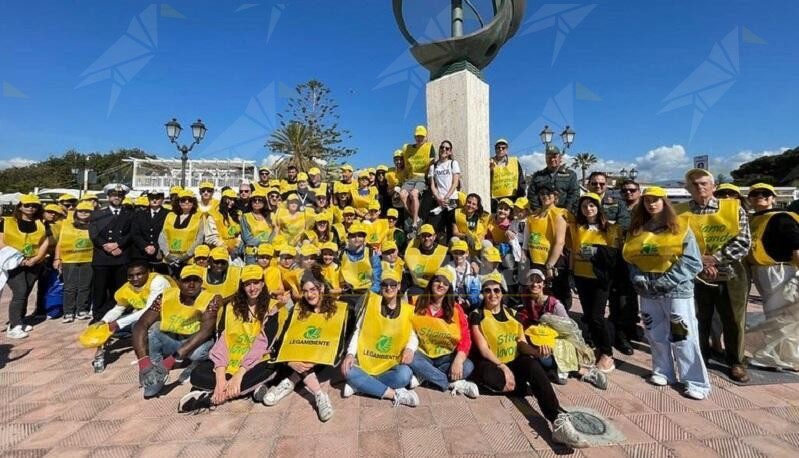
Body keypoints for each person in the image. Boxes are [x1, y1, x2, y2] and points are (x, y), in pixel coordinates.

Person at [469, 273, 590, 449]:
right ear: (483, 293)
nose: (492, 294)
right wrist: (503, 367)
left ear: (502, 293)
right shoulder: (477, 315)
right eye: (487, 290)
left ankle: (557, 420)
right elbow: (483, 349)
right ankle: (519, 387)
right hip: (493, 362)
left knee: (533, 365)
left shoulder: (513, 314)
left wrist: (536, 353)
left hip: (514, 359)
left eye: (496, 290)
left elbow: (522, 344)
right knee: (494, 378)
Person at [624, 186, 710, 400]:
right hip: (648, 290)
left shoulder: (680, 227)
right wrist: (639, 277)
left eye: (656, 199)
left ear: (664, 201)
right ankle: (663, 371)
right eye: (647, 200)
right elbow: (631, 258)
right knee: (655, 332)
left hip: (676, 290)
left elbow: (692, 261)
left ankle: (695, 381)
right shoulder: (638, 229)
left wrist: (667, 281)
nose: (651, 204)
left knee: (683, 335)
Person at [179, 265, 290, 413]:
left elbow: (264, 343)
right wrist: (220, 378)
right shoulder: (231, 307)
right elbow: (223, 341)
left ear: (263, 283)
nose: (252, 288)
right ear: (242, 286)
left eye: (256, 282)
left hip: (257, 360)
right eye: (247, 284)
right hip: (232, 358)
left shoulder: (273, 307)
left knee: (273, 368)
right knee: (198, 373)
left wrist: (239, 375)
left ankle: (211, 398)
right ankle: (249, 389)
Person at [679, 168, 751, 383]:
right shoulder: (680, 212)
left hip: (731, 271)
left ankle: (736, 361)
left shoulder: (733, 209)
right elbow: (675, 242)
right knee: (698, 317)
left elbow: (743, 242)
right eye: (694, 184)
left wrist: (714, 259)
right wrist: (700, 262)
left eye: (703, 183)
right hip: (695, 272)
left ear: (714, 186)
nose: (699, 187)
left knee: (733, 318)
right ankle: (701, 355)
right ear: (687, 188)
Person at [263, 267, 350, 422]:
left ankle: (292, 382)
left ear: (321, 288)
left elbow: (339, 344)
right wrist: (291, 361)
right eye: (305, 291)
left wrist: (313, 359)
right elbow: (286, 338)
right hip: (297, 357)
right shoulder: (298, 309)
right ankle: (319, 393)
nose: (309, 295)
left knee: (306, 363)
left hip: (323, 359)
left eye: (313, 289)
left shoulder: (337, 309)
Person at [132, 265, 221, 398]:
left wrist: (171, 360)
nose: (191, 284)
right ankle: (154, 371)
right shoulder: (165, 296)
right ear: (179, 282)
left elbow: (206, 332)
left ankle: (193, 366)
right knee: (152, 330)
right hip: (173, 339)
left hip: (195, 342)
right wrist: (143, 362)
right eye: (186, 280)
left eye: (195, 280)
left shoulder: (211, 299)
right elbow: (141, 324)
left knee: (199, 352)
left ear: (201, 282)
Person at [340, 270, 420, 407]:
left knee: (405, 374)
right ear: (381, 287)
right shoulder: (371, 305)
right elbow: (358, 330)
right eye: (385, 284)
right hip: (367, 361)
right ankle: (394, 394)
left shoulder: (408, 310)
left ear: (399, 286)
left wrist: (410, 349)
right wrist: (350, 354)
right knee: (347, 370)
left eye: (393, 284)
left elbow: (413, 335)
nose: (389, 288)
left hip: (390, 363)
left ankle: (361, 385)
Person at [516, 269, 607, 388]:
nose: (535, 284)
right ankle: (557, 370)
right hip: (536, 341)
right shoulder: (527, 301)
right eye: (531, 281)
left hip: (558, 343)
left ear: (543, 284)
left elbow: (569, 329)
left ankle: (579, 371)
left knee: (544, 359)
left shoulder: (554, 305)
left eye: (538, 281)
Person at [744, 183, 799, 370]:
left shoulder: (780, 217)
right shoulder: (756, 219)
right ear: (750, 199)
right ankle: (781, 357)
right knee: (775, 315)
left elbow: (796, 244)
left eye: (765, 193)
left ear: (773, 198)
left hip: (779, 270)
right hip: (763, 271)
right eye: (755, 194)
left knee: (782, 316)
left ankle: (786, 359)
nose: (760, 196)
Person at [570, 193, 621, 372]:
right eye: (584, 206)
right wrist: (572, 272)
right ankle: (598, 347)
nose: (588, 209)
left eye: (592, 205)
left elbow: (614, 254)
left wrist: (595, 252)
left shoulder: (609, 228)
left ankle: (608, 353)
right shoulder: (577, 227)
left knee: (597, 316)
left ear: (598, 207)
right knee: (588, 316)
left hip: (600, 278)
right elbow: (573, 250)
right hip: (581, 275)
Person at [408, 268, 479, 397]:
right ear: (431, 283)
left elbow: (465, 337)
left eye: (445, 283)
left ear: (449, 289)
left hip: (446, 356)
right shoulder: (415, 303)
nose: (441, 285)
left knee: (468, 365)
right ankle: (449, 383)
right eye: (437, 281)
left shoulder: (456, 309)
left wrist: (458, 360)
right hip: (422, 354)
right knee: (410, 358)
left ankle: (425, 376)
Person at [92, 261, 173, 372]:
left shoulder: (158, 282)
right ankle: (100, 357)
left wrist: (117, 324)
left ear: (148, 272)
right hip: (142, 316)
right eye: (131, 276)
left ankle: (157, 362)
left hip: (166, 316)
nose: (135, 278)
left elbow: (149, 310)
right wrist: (104, 321)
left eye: (139, 274)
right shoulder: (127, 287)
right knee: (101, 327)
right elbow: (119, 308)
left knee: (142, 327)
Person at [0, 194, 50, 338]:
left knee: (26, 291)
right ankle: (14, 326)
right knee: (20, 290)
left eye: (34, 206)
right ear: (20, 206)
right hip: (12, 263)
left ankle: (19, 319)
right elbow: (1, 242)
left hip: (34, 262)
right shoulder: (7, 222)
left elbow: (44, 243)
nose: (30, 208)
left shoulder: (42, 223)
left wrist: (37, 258)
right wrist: (18, 259)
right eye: (27, 205)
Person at [89, 184, 133, 323]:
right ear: (108, 197)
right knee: (100, 289)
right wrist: (106, 246)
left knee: (119, 289)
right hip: (102, 257)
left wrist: (118, 244)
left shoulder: (129, 214)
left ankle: (117, 316)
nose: (117, 198)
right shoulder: (98, 214)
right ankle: (98, 316)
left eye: (120, 195)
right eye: (114, 195)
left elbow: (132, 233)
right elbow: (94, 234)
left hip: (121, 256)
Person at [523, 185, 571, 310]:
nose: (545, 196)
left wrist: (550, 265)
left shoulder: (558, 214)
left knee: (557, 299)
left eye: (549, 193)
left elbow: (560, 242)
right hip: (536, 261)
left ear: (555, 196)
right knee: (540, 297)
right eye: (542, 193)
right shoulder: (535, 215)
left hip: (552, 263)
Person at [610, 179, 642, 354]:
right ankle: (621, 333)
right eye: (624, 191)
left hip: (639, 258)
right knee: (620, 296)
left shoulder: (645, 208)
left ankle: (632, 326)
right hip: (619, 257)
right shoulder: (617, 208)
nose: (628, 193)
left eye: (632, 190)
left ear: (638, 191)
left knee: (633, 295)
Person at [54, 200, 94, 322]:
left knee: (85, 286)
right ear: (76, 212)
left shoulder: (94, 225)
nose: (84, 213)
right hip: (69, 259)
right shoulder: (66, 224)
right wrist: (57, 258)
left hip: (88, 259)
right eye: (81, 211)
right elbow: (60, 243)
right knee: (69, 287)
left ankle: (82, 310)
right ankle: (68, 312)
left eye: (87, 211)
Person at [159, 189, 205, 278]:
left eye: (190, 200)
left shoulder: (199, 216)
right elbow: (162, 236)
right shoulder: (170, 215)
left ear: (193, 202)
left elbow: (199, 239)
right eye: (183, 200)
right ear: (178, 202)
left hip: (188, 260)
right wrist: (167, 254)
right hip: (169, 260)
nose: (186, 202)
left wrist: (186, 256)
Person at [339, 222, 381, 314]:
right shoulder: (342, 254)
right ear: (348, 238)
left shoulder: (371, 253)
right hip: (348, 294)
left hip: (367, 292)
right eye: (353, 236)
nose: (357, 239)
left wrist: (371, 293)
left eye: (360, 236)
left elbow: (377, 277)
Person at [400, 126, 436, 230]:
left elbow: (432, 162)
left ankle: (415, 222)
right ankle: (415, 217)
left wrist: (430, 180)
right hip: (411, 178)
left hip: (422, 177)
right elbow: (404, 163)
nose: (419, 138)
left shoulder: (429, 147)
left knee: (414, 194)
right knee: (402, 195)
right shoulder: (408, 148)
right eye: (417, 136)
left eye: (421, 136)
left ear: (425, 137)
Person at [528, 144, 579, 211]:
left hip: (564, 214)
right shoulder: (537, 176)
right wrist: (539, 211)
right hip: (543, 215)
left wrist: (566, 211)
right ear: (545, 159)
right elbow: (532, 195)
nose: (552, 159)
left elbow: (574, 194)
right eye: (549, 157)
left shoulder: (570, 175)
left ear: (560, 158)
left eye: (554, 157)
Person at [427, 140, 461, 239]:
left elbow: (455, 183)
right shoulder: (433, 166)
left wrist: (446, 198)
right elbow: (433, 185)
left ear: (450, 151)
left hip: (451, 200)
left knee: (452, 228)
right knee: (437, 228)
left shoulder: (453, 163)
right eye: (442, 147)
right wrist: (439, 199)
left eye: (447, 148)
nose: (444, 150)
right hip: (439, 200)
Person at [130, 190, 169, 274]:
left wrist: (155, 246)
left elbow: (168, 234)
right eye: (152, 198)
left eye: (157, 198)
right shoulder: (139, 214)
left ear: (162, 199)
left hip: (160, 253)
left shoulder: (168, 214)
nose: (154, 200)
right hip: (142, 253)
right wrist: (145, 246)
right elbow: (135, 233)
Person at [404, 224, 448, 296]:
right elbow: (406, 274)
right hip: (417, 287)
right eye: (424, 236)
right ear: (420, 237)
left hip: (435, 288)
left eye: (429, 236)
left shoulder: (443, 252)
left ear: (434, 237)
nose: (426, 238)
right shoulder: (411, 251)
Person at [240, 189, 276, 264]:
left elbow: (274, 233)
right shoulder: (245, 217)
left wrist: (268, 246)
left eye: (260, 200)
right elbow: (247, 238)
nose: (257, 202)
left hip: (268, 252)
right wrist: (264, 243)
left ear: (264, 202)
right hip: (253, 254)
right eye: (254, 200)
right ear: (251, 202)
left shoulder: (270, 216)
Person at [489, 138, 526, 212]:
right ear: (495, 149)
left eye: (503, 148)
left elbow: (520, 179)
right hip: (495, 200)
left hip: (512, 198)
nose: (500, 149)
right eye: (498, 147)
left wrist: (521, 196)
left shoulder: (514, 162)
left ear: (507, 149)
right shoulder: (489, 162)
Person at [204, 188, 242, 259]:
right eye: (229, 199)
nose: (232, 202)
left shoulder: (237, 215)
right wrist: (226, 248)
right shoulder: (213, 215)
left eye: (234, 200)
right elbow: (211, 237)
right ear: (223, 199)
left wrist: (237, 247)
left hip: (235, 253)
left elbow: (240, 234)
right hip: (218, 253)